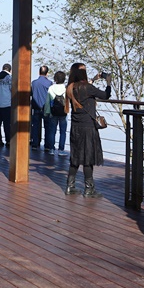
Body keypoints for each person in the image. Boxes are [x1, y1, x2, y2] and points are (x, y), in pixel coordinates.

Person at [64, 64, 111, 197]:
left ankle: (70, 186)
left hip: (75, 126)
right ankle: (89, 189)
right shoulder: (88, 88)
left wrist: (94, 79)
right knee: (88, 157)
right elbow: (105, 95)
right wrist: (108, 82)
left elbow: (83, 88)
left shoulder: (70, 88)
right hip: (88, 127)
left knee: (76, 156)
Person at [44, 71, 68, 155]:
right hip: (63, 113)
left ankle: (51, 149)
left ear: (55, 79)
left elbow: (47, 101)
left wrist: (47, 112)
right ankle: (61, 149)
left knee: (52, 131)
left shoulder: (51, 88)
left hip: (53, 112)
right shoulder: (66, 88)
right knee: (63, 132)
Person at [30, 65, 50, 150]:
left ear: (39, 72)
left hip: (36, 107)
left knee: (35, 126)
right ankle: (47, 146)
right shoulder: (49, 83)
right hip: (46, 108)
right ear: (47, 73)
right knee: (47, 127)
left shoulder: (34, 83)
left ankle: (35, 143)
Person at [0, 63, 12, 148]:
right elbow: (12, 89)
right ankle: (8, 140)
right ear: (10, 70)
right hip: (6, 103)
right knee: (7, 123)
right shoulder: (9, 77)